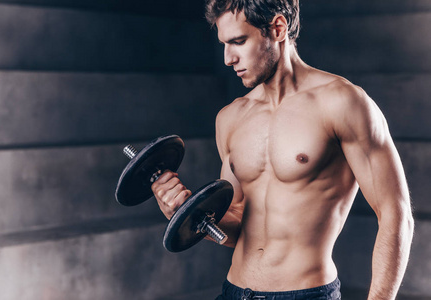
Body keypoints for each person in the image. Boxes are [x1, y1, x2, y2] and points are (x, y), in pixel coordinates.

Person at [151, 0, 414, 299]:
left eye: (238, 41)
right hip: (233, 291)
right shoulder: (231, 118)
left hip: (307, 294)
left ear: (278, 28)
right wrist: (186, 212)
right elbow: (237, 224)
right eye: (224, 44)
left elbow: (395, 213)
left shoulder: (342, 103)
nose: (228, 58)